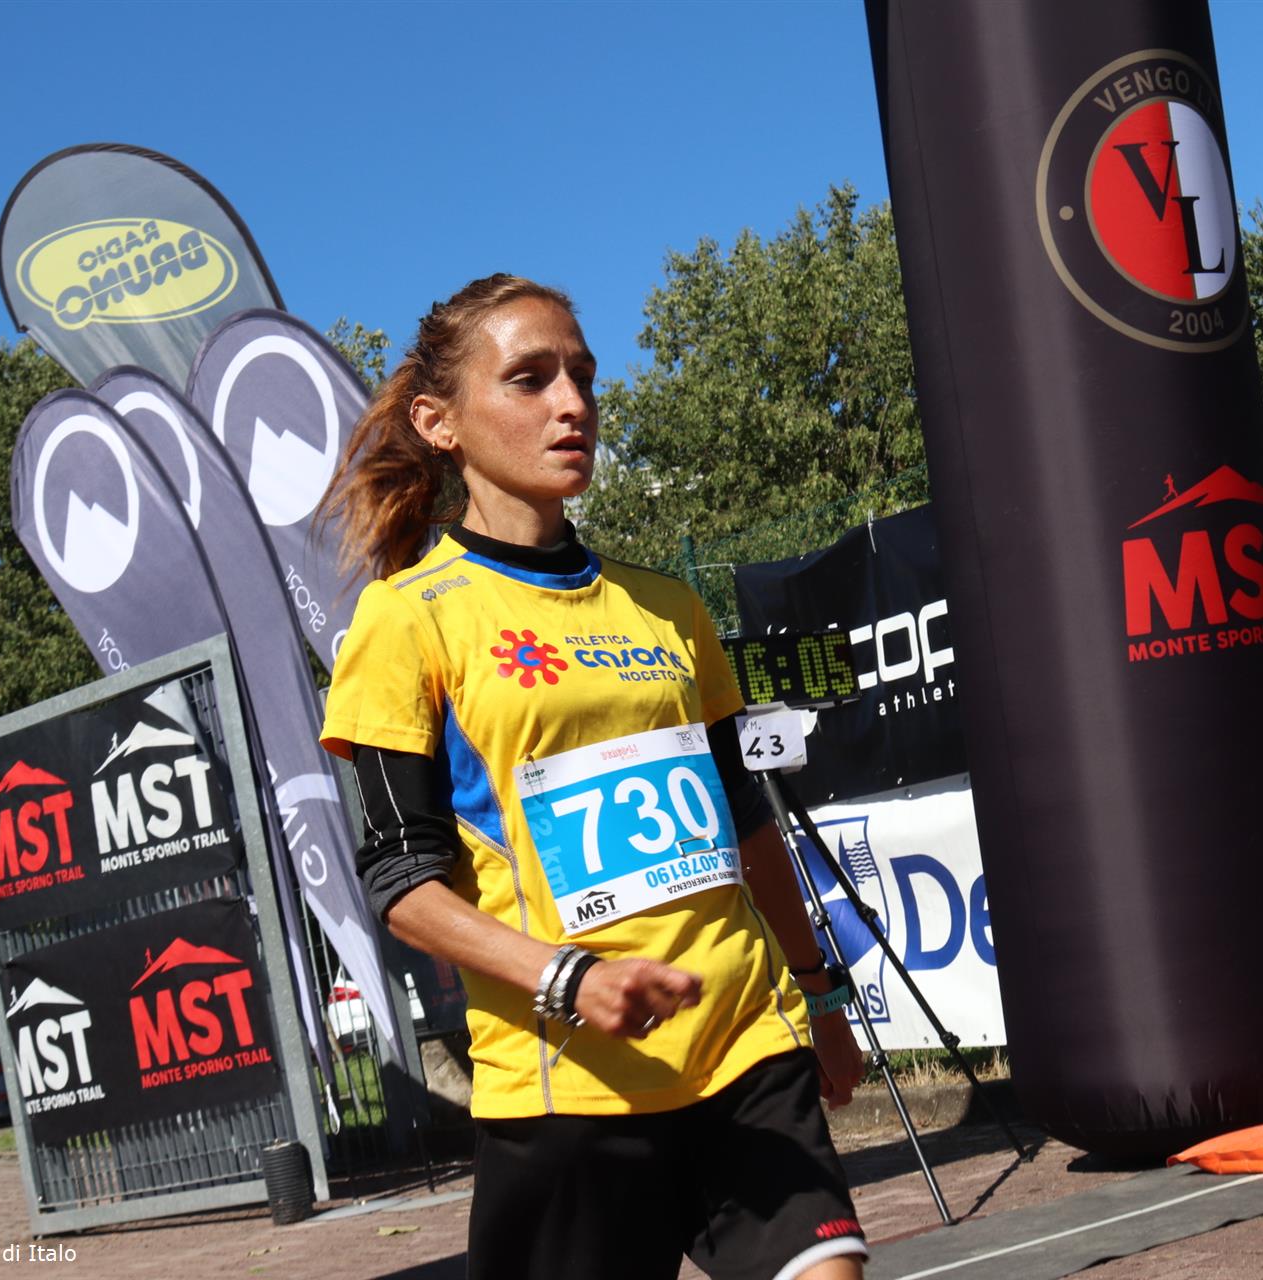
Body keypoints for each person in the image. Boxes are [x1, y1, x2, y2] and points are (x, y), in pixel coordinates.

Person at [319, 274, 868, 1280]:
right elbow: (403, 886)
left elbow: (747, 822)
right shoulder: (406, 620)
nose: (572, 403)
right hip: (566, 1086)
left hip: (743, 1041)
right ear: (439, 423)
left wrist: (820, 998)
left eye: (582, 375)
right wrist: (571, 978)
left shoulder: (667, 608)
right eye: (530, 380)